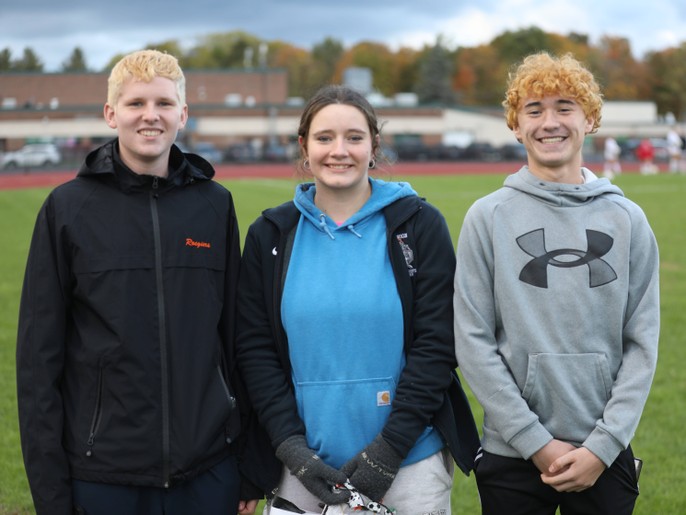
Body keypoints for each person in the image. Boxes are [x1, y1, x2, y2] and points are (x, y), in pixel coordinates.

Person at [16, 49, 274, 515]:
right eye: (136, 104)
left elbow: (237, 339)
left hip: (207, 471)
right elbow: (38, 364)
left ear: (183, 114)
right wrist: (52, 495)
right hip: (102, 477)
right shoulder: (67, 209)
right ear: (111, 114)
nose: (150, 116)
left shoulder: (214, 205)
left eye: (163, 103)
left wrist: (249, 463)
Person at [235, 84, 479, 514]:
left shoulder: (419, 225)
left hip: (409, 463)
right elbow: (255, 351)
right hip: (302, 469)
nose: (339, 151)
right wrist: (292, 448)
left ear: (374, 146)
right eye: (324, 138)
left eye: (354, 137)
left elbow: (437, 344)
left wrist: (387, 452)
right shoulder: (270, 235)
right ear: (304, 148)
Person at [453, 52, 660, 515]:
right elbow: (472, 342)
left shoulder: (627, 220)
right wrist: (534, 441)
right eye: (534, 109)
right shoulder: (487, 218)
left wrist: (604, 445)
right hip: (512, 453)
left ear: (589, 120)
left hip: (603, 453)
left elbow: (642, 344)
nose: (550, 122)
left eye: (565, 107)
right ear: (515, 125)